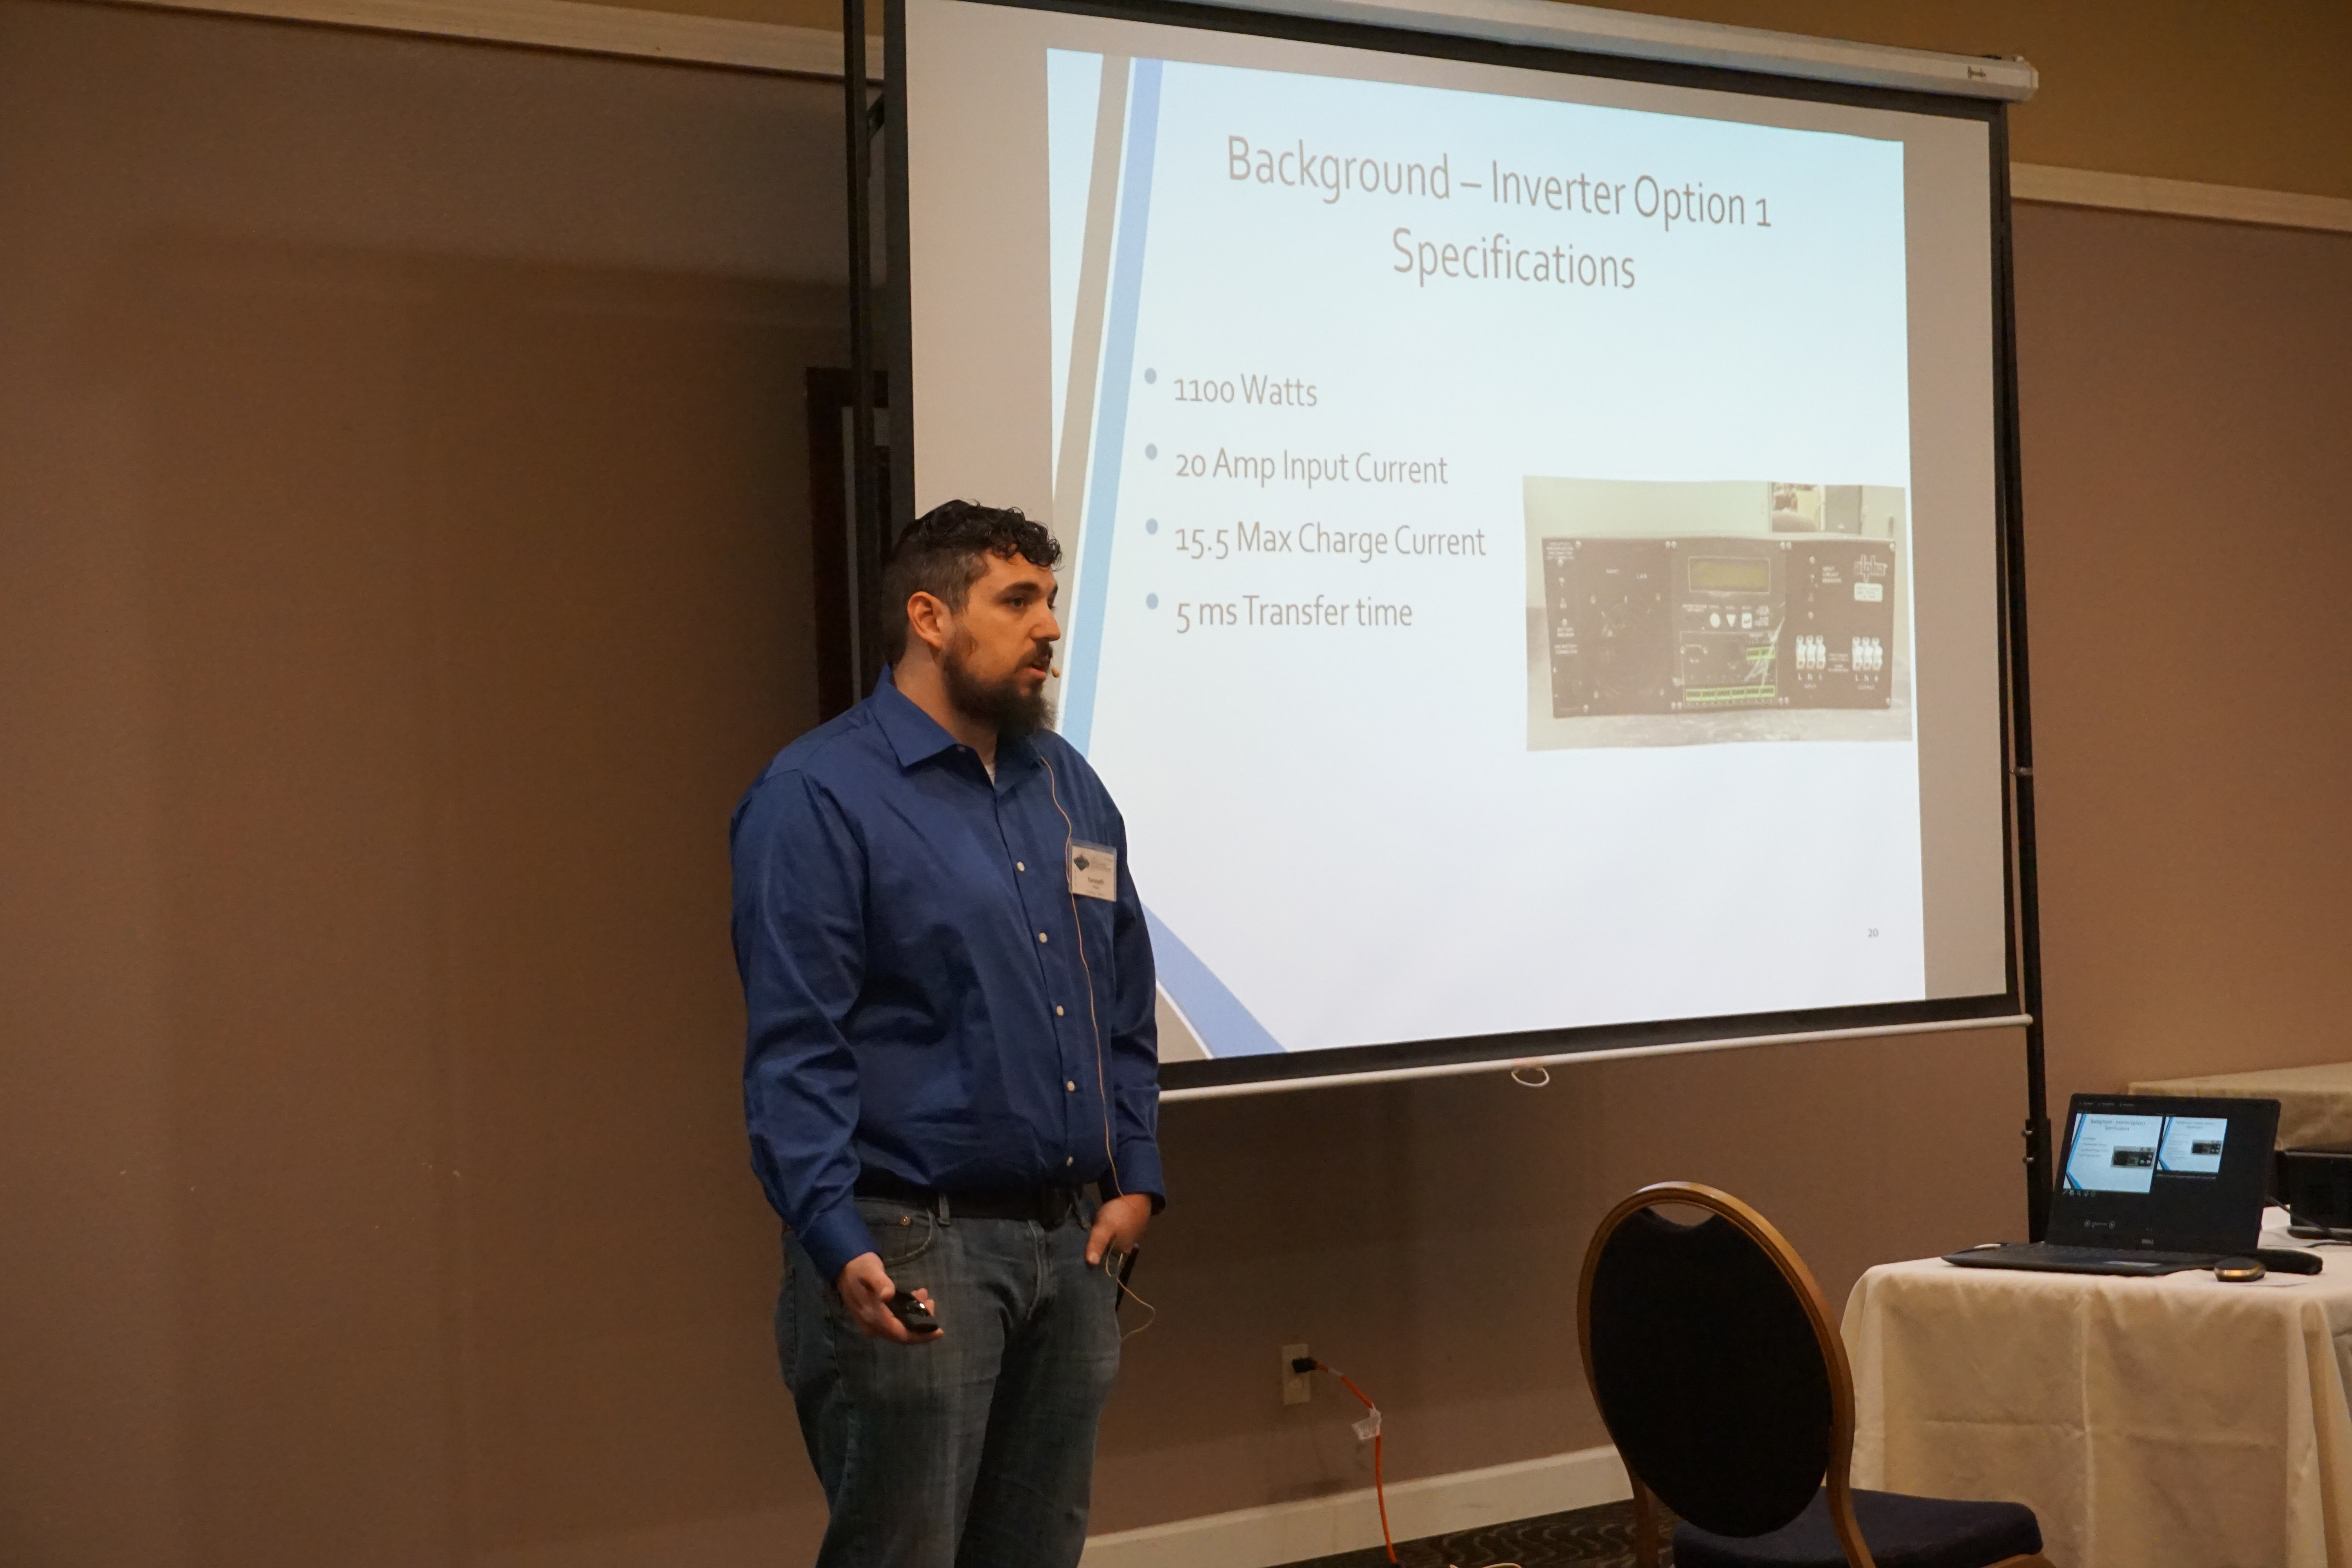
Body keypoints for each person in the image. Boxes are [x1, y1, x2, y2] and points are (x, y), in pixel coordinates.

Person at [730, 499, 1164, 1568]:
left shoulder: (1066, 787)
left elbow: (1121, 997)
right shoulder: (819, 796)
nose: (1050, 627)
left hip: (1071, 1248)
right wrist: (834, 1237)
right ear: (930, 616)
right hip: (911, 1242)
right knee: (904, 1551)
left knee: (1038, 1549)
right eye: (1017, 601)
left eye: (1051, 600)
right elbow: (798, 1047)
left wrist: (1137, 1170)